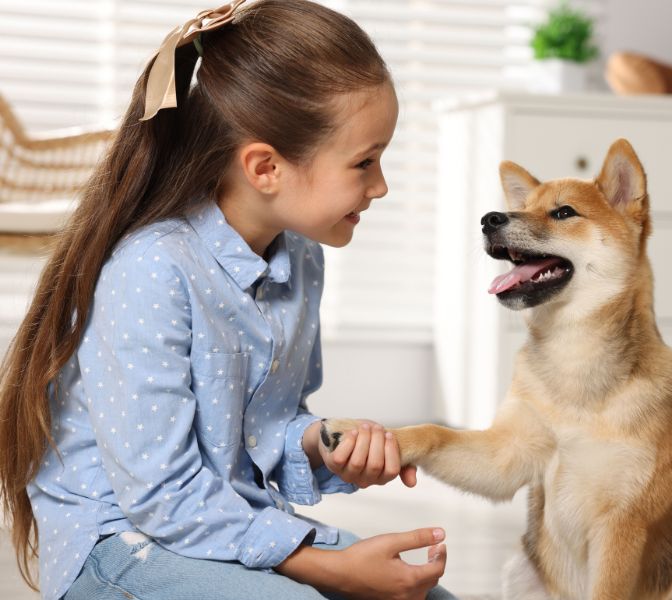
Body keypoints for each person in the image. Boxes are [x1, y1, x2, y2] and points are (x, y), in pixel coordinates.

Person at [0, 1, 457, 599]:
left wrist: (329, 445)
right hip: (122, 542)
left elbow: (263, 428)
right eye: (364, 162)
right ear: (266, 167)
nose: (381, 185)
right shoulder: (152, 269)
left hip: (223, 525)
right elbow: (160, 495)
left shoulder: (301, 257)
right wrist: (328, 567)